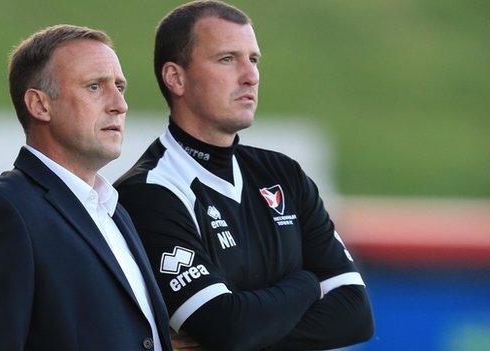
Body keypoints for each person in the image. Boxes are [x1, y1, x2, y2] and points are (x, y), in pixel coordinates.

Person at [115, 1, 374, 350]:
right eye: (227, 59)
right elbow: (227, 327)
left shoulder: (285, 174)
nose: (250, 75)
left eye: (253, 59)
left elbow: (356, 315)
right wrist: (308, 283)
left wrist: (246, 332)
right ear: (175, 77)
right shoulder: (148, 193)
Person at [0, 24, 171, 350]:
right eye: (94, 87)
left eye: (120, 87)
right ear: (39, 105)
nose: (120, 104)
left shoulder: (115, 214)